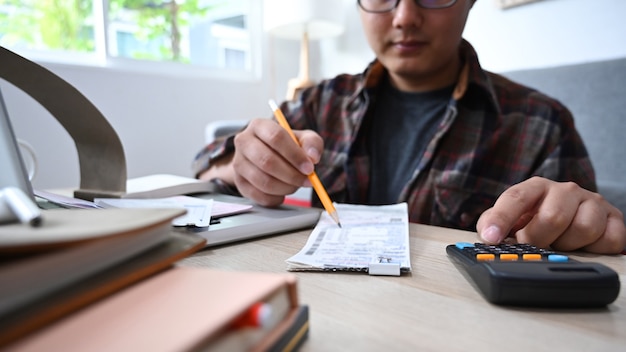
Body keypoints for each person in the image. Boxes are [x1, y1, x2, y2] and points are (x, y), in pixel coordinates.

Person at [193, 0, 626, 254]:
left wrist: (586, 226)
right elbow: (205, 167)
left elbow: (590, 249)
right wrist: (239, 165)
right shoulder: (319, 103)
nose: (403, 16)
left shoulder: (539, 123)